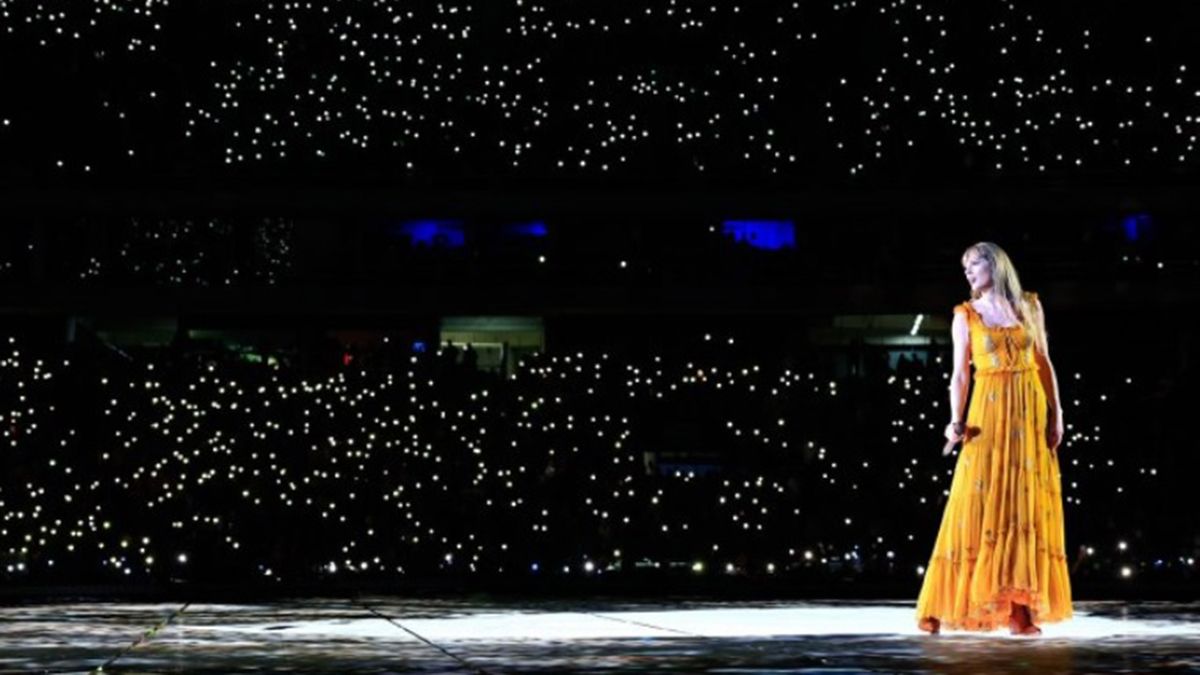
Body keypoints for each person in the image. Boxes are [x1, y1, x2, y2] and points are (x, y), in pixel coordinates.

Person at [916, 242, 1073, 636]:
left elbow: (1044, 361)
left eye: (974, 263)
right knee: (976, 502)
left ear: (996, 263)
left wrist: (1057, 412)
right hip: (987, 412)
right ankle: (944, 603)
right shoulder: (965, 315)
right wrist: (954, 420)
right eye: (964, 266)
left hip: (1028, 409)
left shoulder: (1029, 306)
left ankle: (1021, 610)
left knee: (1024, 505)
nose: (968, 271)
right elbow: (959, 375)